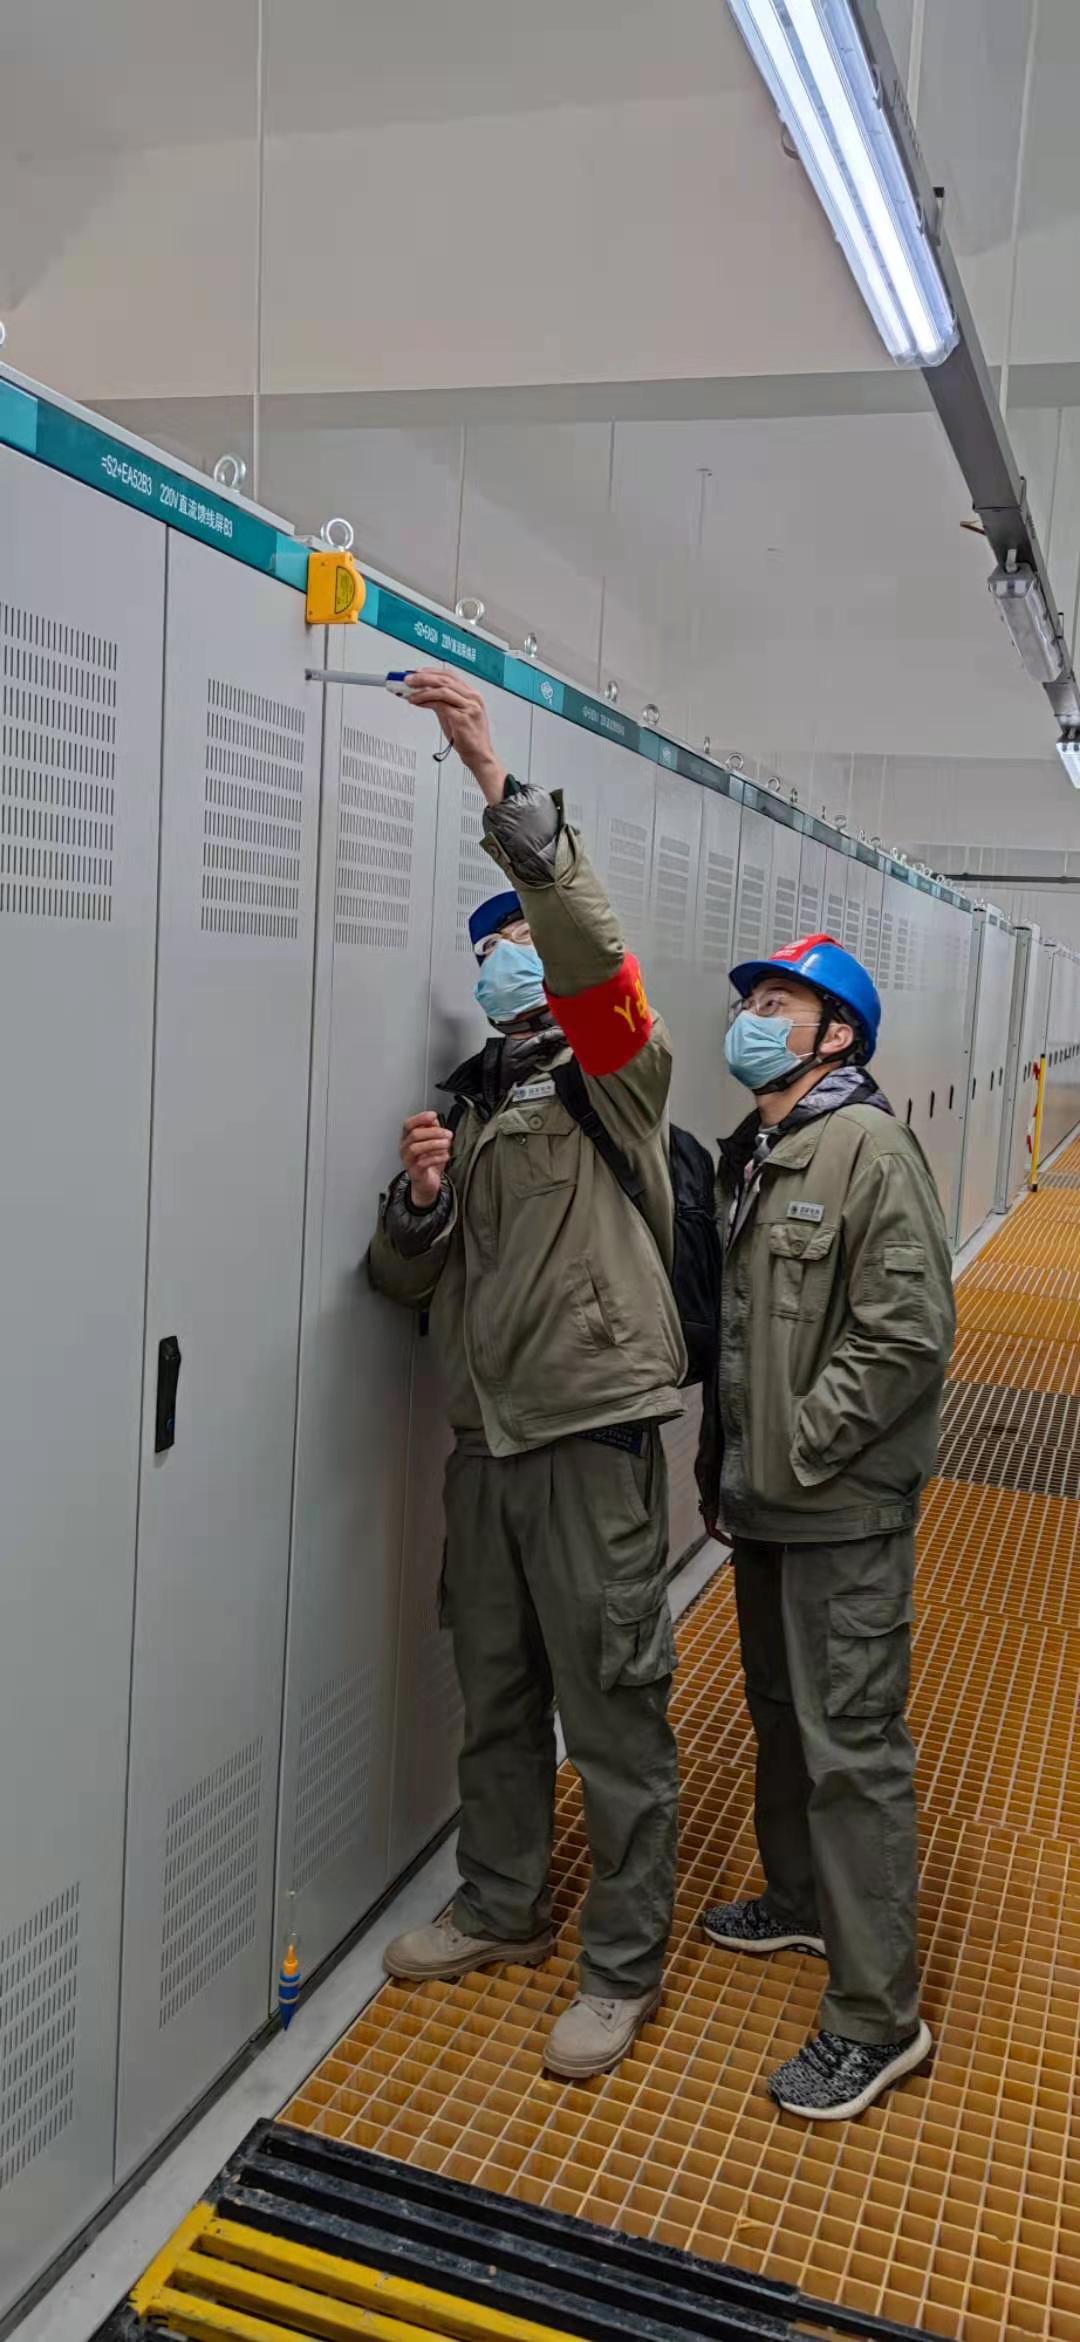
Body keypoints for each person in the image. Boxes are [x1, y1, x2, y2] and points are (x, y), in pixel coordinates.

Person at [369, 668, 686, 2080]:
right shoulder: (466, 1102)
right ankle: (502, 1903)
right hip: (487, 1449)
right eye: (488, 943)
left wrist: (492, 777)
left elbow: (589, 945)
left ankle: (621, 1963)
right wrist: (421, 1204)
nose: (507, 956)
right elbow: (401, 1285)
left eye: (519, 938)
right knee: (496, 1695)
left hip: (589, 1439)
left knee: (612, 1709)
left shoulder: (617, 1069)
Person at [696, 933, 955, 2121]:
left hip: (838, 1506)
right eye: (751, 998)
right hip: (769, 1503)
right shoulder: (766, 1148)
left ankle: (876, 2017)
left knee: (852, 1747)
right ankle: (800, 1899)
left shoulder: (869, 1149)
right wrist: (739, 1468)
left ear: (837, 1031)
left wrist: (796, 1446)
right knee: (783, 1714)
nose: (752, 1016)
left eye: (777, 1000)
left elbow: (906, 1336)